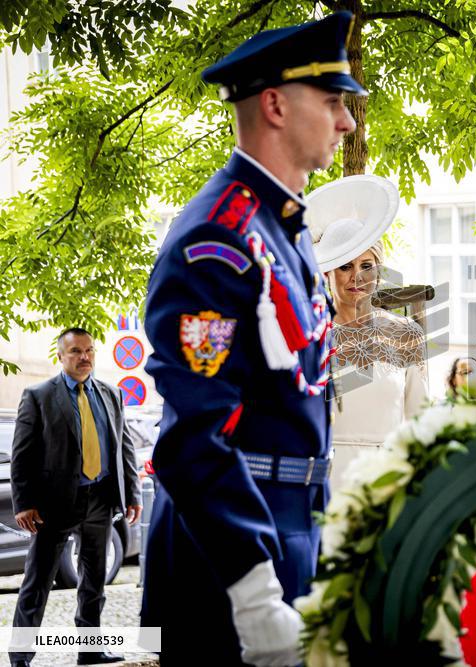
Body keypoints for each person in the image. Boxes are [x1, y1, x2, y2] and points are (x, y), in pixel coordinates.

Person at [140, 11, 363, 665]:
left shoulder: (283, 228)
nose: (347, 122)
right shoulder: (219, 239)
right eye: (332, 102)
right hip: (230, 563)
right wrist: (253, 588)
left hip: (289, 535)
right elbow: (193, 438)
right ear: (274, 105)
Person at [9, 328, 141, 667]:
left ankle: (90, 649)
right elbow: (22, 454)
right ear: (60, 356)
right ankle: (20, 656)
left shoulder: (111, 394)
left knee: (94, 580)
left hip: (101, 498)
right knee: (38, 581)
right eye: (75, 352)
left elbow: (123, 447)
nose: (84, 357)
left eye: (89, 350)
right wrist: (24, 502)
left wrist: (132, 492)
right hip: (54, 504)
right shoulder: (38, 395)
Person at [306, 175, 427, 487]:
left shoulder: (407, 334)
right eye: (345, 266)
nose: (356, 277)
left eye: (366, 266)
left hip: (385, 482)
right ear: (328, 272)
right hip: (324, 480)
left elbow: (420, 422)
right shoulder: (310, 335)